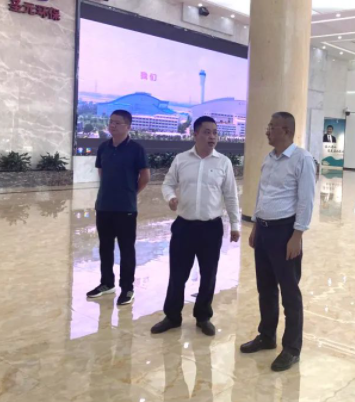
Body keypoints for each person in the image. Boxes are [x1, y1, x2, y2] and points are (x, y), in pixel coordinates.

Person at [240, 112, 316, 372]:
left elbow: (306, 200)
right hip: (264, 230)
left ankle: (292, 348)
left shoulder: (302, 159)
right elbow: (262, 193)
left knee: (290, 292)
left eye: (272, 127)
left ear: (286, 130)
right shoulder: (269, 158)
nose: (267, 131)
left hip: (285, 232)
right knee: (265, 288)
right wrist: (255, 226)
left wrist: (297, 235)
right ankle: (267, 336)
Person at [151, 116, 240, 336]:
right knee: (177, 274)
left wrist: (235, 224)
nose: (212, 136)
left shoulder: (223, 163)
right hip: (184, 227)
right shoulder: (181, 159)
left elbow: (231, 195)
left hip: (211, 228)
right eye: (207, 132)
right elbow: (168, 184)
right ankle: (172, 316)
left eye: (215, 132)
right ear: (196, 134)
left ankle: (203, 316)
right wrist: (170, 197)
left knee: (209, 274)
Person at [87, 110, 151, 305]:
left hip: (126, 209)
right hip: (104, 206)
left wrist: (130, 193)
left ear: (127, 126)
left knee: (126, 249)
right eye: (111, 122)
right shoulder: (103, 147)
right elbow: (102, 172)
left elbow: (145, 177)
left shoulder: (136, 149)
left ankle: (127, 288)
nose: (112, 125)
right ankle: (107, 283)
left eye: (117, 122)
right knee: (105, 247)